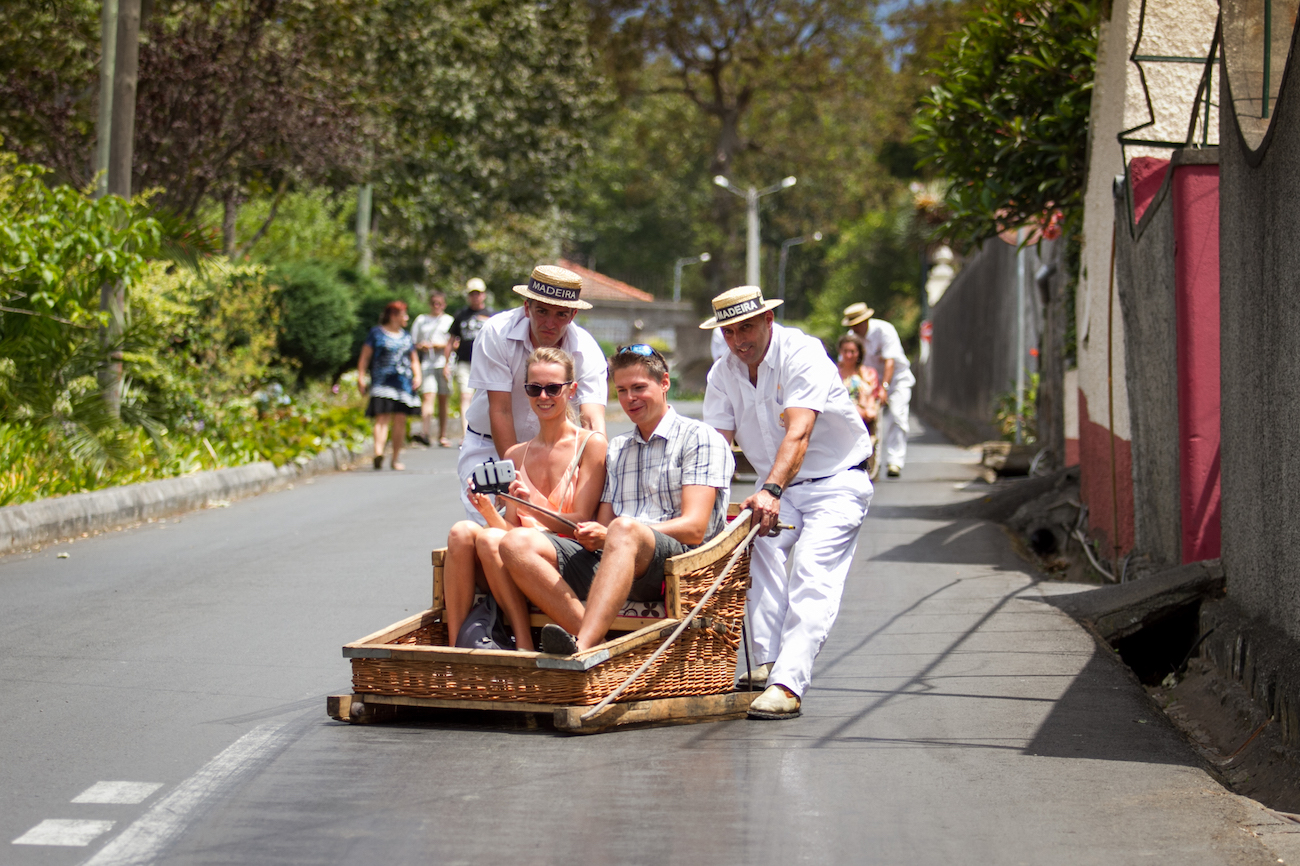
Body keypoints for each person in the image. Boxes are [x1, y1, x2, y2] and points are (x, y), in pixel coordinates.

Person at [703, 286, 873, 720]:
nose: (740, 340)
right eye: (729, 332)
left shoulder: (803, 353)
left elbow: (799, 432)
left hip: (836, 482)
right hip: (778, 487)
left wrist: (771, 492)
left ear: (768, 322)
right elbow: (717, 450)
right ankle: (765, 663)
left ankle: (787, 684)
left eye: (747, 327)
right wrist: (713, 506)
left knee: (812, 575)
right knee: (752, 544)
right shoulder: (722, 373)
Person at [498, 345, 734, 655]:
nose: (630, 399)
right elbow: (602, 525)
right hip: (614, 555)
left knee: (625, 528)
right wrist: (594, 532)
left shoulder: (700, 437)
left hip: (677, 567)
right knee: (514, 543)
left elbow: (695, 529)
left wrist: (616, 532)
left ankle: (584, 646)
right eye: (622, 390)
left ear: (664, 383)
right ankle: (592, 638)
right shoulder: (619, 448)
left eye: (639, 388)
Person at [442, 348, 607, 651]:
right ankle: (456, 648)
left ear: (571, 390)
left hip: (565, 550)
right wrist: (488, 508)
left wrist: (532, 504)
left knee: (495, 541)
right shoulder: (516, 454)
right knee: (462, 532)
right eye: (534, 388)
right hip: (516, 547)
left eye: (553, 388)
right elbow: (509, 526)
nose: (543, 396)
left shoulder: (590, 444)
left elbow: (582, 522)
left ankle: (524, 644)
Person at [456, 265, 608, 522]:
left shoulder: (587, 350)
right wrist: (511, 475)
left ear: (572, 315)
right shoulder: (497, 332)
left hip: (551, 452)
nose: (550, 323)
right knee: (490, 531)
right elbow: (501, 410)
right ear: (527, 308)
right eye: (542, 311)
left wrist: (596, 477)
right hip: (490, 444)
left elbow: (593, 422)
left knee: (552, 529)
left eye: (561, 314)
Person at [843, 301, 914, 478]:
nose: (855, 329)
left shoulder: (884, 331)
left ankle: (895, 461)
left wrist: (884, 388)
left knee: (897, 416)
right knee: (868, 422)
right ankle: (872, 461)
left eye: (857, 324)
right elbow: (848, 363)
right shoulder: (852, 337)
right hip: (869, 384)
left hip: (896, 381)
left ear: (865, 321)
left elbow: (890, 361)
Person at [357, 301, 422, 471]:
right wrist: (361, 376)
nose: (406, 318)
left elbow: (413, 359)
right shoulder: (376, 333)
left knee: (400, 419)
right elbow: (365, 357)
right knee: (382, 417)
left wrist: (418, 375)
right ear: (393, 315)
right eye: (404, 314)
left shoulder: (406, 336)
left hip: (403, 384)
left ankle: (395, 458)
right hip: (382, 382)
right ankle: (378, 452)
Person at [411, 291, 454, 447]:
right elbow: (413, 343)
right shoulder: (421, 320)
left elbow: (455, 343)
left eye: (440, 303)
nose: (436, 306)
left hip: (444, 364)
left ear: (444, 305)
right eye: (434, 303)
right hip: (427, 364)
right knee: (428, 396)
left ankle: (442, 435)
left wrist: (440, 345)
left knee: (443, 399)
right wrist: (422, 346)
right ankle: (425, 432)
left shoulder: (449, 320)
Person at [448, 278, 495, 421]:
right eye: (472, 294)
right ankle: (465, 434)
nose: (475, 297)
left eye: (478, 293)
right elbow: (451, 340)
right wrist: (446, 363)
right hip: (464, 360)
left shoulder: (492, 315)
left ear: (484, 295)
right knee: (465, 395)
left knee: (486, 397)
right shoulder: (461, 315)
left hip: (486, 362)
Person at [836, 333, 881, 427]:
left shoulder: (868, 374)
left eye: (852, 352)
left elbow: (873, 400)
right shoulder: (833, 373)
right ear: (840, 351)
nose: (849, 355)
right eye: (845, 351)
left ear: (859, 353)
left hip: (862, 421)